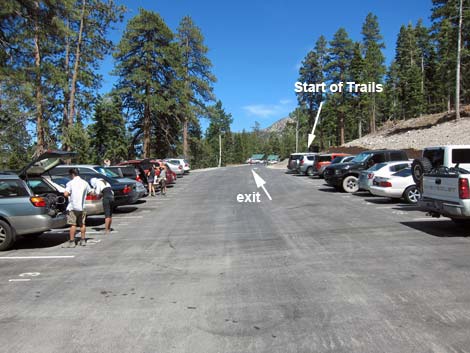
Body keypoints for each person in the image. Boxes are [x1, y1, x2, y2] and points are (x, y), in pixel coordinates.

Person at [63, 168, 91, 247]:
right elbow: (90, 192)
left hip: (73, 207)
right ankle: (83, 240)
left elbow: (65, 194)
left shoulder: (70, 183)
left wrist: (70, 195)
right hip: (82, 206)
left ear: (72, 174)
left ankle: (72, 242)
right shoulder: (85, 183)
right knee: (82, 224)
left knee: (73, 224)